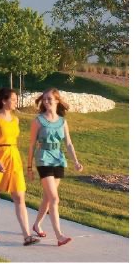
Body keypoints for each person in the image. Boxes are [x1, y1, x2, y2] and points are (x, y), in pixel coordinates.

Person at [0, 87, 39, 246]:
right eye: (12, 99)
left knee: (20, 196)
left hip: (13, 156)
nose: (15, 102)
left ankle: (27, 235)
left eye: (15, 99)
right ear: (4, 101)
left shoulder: (16, 119)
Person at [27, 87, 83, 247]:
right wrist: (29, 168)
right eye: (44, 99)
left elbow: (69, 143)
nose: (46, 101)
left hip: (58, 159)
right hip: (43, 158)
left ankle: (37, 225)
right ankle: (59, 235)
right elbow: (31, 145)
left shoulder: (63, 121)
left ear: (57, 101)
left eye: (49, 99)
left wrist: (75, 161)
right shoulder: (38, 121)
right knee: (54, 198)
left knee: (48, 197)